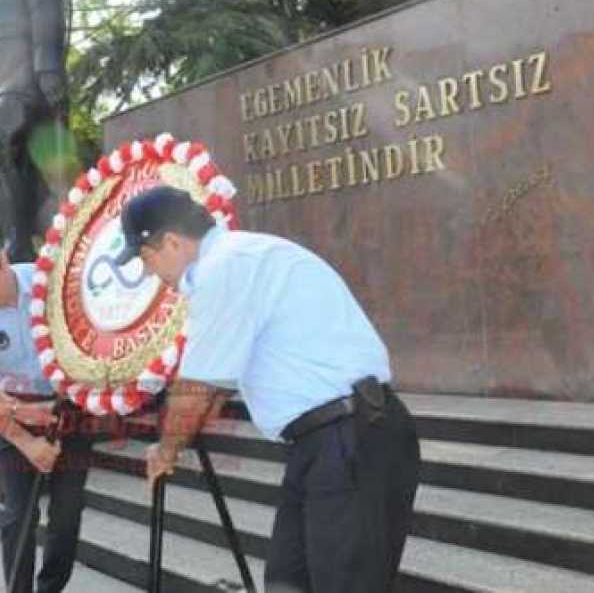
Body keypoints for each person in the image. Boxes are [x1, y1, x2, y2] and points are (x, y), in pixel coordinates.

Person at [114, 187, 421, 593]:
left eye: (145, 258)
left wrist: (166, 449)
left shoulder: (227, 266)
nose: (150, 273)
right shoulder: (238, 262)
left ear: (170, 242)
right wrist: (181, 432)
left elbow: (198, 387)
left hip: (351, 437)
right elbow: (218, 385)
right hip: (322, 442)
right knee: (286, 580)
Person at [0, 239, 92, 593]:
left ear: (3, 260)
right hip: (10, 410)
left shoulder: (48, 287)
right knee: (17, 515)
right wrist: (27, 442)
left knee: (67, 513)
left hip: (68, 403)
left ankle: (50, 587)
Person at [0, 0, 67, 262]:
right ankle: (12, 240)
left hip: (21, 68)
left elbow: (45, 6)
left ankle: (19, 243)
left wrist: (47, 65)